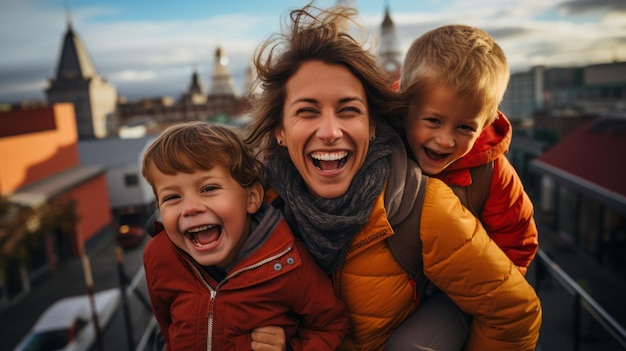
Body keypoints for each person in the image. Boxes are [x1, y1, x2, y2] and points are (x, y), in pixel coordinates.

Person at [244, 4, 541, 351]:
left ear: (373, 125)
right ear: (279, 129)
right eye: (307, 111)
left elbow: (511, 306)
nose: (329, 132)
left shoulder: (422, 202)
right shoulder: (253, 204)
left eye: (348, 110)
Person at [141, 121, 349, 351]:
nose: (190, 208)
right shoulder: (159, 256)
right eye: (171, 198)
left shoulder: (289, 262)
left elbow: (330, 325)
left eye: (209, 189)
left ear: (251, 198)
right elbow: (167, 325)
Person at [394, 24, 538, 276]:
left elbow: (516, 244)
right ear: (405, 107)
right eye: (433, 121)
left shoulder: (493, 175)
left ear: (485, 125)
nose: (446, 140)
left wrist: (484, 296)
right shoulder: (379, 145)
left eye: (464, 127)